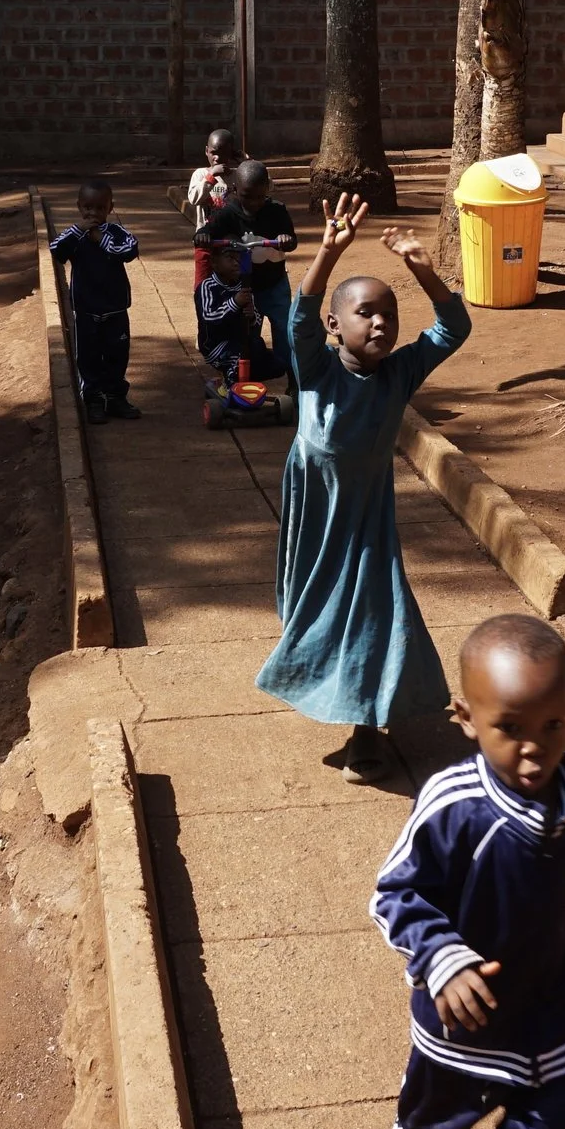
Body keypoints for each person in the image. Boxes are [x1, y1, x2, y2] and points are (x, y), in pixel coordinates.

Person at [371, 613, 565, 1129]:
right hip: (467, 1009)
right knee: (444, 1111)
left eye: (553, 725)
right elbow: (396, 892)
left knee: (564, 1111)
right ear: (466, 717)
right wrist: (442, 958)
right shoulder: (452, 805)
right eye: (510, 729)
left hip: (554, 996)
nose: (536, 747)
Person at [253, 194, 467, 781]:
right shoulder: (317, 368)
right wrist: (326, 252)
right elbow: (297, 318)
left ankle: (365, 731)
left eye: (389, 315)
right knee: (310, 609)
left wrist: (422, 267)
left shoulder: (398, 374)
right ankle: (333, 692)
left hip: (368, 518)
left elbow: (454, 328)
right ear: (335, 325)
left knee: (374, 609)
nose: (380, 323)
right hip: (313, 512)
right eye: (366, 313)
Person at [48, 180, 143, 424]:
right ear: (79, 207)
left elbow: (130, 251)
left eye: (100, 208)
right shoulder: (75, 235)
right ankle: (93, 400)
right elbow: (57, 250)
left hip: (115, 309)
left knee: (117, 355)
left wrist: (100, 238)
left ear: (110, 208)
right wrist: (80, 231)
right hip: (86, 310)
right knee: (88, 358)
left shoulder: (116, 233)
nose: (93, 213)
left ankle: (115, 398)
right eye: (88, 208)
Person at [197, 160, 297, 358]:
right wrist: (202, 235)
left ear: (267, 188)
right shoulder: (227, 213)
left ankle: (292, 377)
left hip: (275, 283)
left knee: (285, 328)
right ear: (235, 189)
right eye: (246, 197)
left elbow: (292, 240)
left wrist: (285, 239)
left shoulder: (277, 210)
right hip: (245, 286)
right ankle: (246, 375)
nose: (253, 203)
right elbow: (208, 230)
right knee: (247, 331)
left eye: (260, 197)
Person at [195, 240, 287, 390]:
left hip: (242, 342)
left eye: (239, 258)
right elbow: (209, 319)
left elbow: (256, 319)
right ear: (215, 263)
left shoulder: (243, 285)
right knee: (240, 360)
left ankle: (240, 379)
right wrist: (234, 303)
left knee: (277, 364)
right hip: (217, 345)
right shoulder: (208, 286)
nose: (236, 263)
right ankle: (229, 384)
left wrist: (251, 316)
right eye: (230, 258)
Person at [184, 128, 245, 285]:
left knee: (240, 284)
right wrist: (211, 177)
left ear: (232, 153)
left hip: (235, 242)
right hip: (206, 242)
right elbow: (194, 198)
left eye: (223, 153)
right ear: (206, 151)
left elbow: (269, 186)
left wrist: (247, 164)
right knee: (203, 285)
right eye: (213, 153)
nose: (217, 158)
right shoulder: (200, 174)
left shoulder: (239, 175)